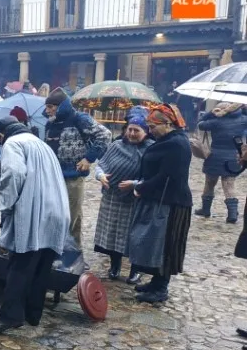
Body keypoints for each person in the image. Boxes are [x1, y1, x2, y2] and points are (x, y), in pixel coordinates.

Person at [0, 117, 70, 335]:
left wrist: (7, 205)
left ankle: (10, 317)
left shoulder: (13, 143)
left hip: (34, 213)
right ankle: (33, 313)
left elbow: (13, 174)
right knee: (41, 266)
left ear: (1, 135)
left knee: (19, 265)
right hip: (57, 212)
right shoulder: (41, 144)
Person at [125, 105, 193, 304]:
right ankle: (155, 282)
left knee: (166, 246)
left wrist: (141, 187)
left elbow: (168, 175)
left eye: (153, 126)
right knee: (155, 243)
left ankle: (161, 287)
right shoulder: (167, 140)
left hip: (171, 203)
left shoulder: (177, 144)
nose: (150, 130)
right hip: (159, 199)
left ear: (168, 124)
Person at [43, 87, 111, 250]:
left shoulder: (79, 119)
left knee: (72, 215)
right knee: (55, 215)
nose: (47, 110)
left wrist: (89, 158)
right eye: (47, 107)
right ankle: (56, 249)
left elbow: (105, 135)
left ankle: (72, 252)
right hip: (53, 176)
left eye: (51, 107)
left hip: (73, 176)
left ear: (61, 106)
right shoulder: (50, 123)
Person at [93, 107, 153, 283]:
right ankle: (115, 266)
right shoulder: (116, 145)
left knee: (133, 236)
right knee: (112, 234)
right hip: (112, 197)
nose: (132, 134)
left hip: (135, 198)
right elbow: (101, 165)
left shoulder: (151, 149)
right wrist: (100, 175)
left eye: (137, 130)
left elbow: (153, 176)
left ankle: (135, 269)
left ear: (146, 132)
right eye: (130, 130)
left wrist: (134, 183)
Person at [193, 103, 247, 223]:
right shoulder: (243, 119)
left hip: (214, 157)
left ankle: (205, 210)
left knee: (209, 184)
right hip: (233, 157)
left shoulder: (215, 121)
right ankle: (232, 214)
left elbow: (200, 124)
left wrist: (210, 113)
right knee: (229, 185)